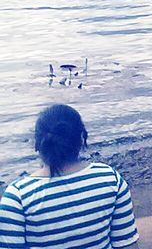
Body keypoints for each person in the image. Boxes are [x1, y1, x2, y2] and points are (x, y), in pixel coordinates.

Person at [0, 104, 139, 248]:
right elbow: (127, 245)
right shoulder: (110, 179)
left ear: (37, 144)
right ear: (81, 138)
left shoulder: (18, 197)